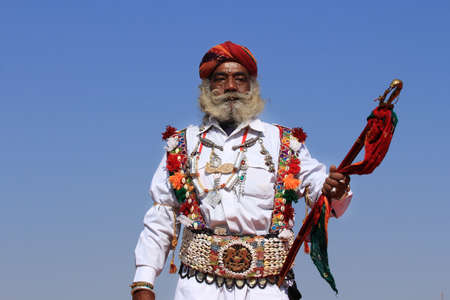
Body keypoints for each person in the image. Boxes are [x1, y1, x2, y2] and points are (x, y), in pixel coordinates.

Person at [131, 41, 352, 300]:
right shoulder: (182, 145)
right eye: (221, 79)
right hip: (198, 288)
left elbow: (320, 189)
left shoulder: (283, 142)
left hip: (268, 290)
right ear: (207, 88)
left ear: (252, 87)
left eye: (240, 78)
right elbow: (162, 215)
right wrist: (143, 282)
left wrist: (335, 190)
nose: (231, 87)